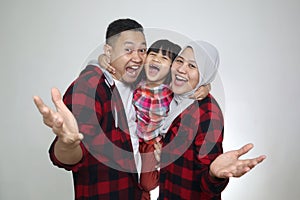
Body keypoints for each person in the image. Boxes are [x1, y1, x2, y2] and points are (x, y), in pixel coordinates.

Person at [34, 18, 148, 200]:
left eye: (142, 50)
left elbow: (173, 73)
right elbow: (69, 158)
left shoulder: (141, 83)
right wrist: (67, 144)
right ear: (109, 51)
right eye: (128, 50)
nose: (137, 57)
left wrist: (201, 85)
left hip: (134, 192)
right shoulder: (88, 87)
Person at [153, 40, 266, 199]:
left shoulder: (207, 113)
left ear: (205, 74)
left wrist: (214, 174)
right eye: (179, 61)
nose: (181, 69)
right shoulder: (171, 99)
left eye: (192, 66)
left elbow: (207, 185)